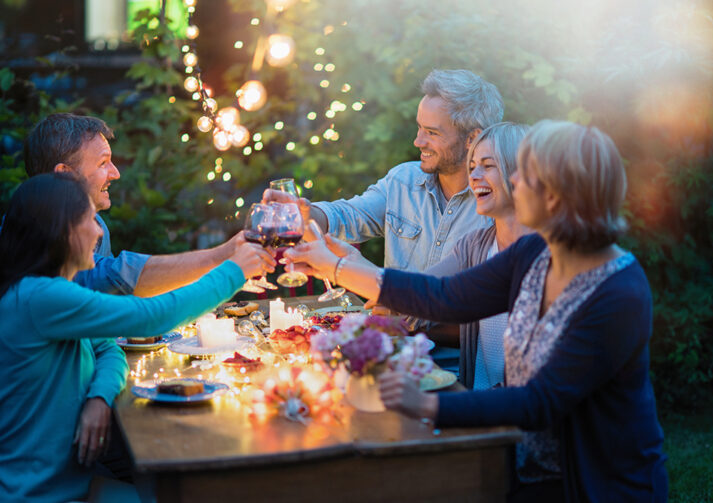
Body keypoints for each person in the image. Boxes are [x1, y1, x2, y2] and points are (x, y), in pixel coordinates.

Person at [285, 120, 668, 502]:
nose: (514, 181)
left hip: (596, 485)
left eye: (526, 174)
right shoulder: (534, 254)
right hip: (524, 466)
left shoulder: (619, 293)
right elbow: (444, 295)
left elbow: (539, 401)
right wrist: (341, 266)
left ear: (555, 194)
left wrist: (430, 404)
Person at [0, 173, 276, 503]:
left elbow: (106, 346)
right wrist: (234, 270)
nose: (99, 231)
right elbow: (151, 317)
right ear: (63, 230)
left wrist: (99, 396)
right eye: (90, 219)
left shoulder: (46, 292)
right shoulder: (41, 297)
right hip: (35, 494)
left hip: (70, 483)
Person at [264, 68, 504, 272]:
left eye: (432, 133)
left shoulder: (497, 206)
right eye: (419, 128)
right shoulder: (403, 181)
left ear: (472, 138)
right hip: (390, 328)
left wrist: (354, 271)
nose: (418, 142)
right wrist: (307, 215)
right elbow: (349, 216)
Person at [23, 113, 247, 297]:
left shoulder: (95, 224)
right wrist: (223, 258)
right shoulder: (30, 236)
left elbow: (106, 316)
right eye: (103, 163)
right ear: (65, 175)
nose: (116, 173)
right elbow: (111, 279)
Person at [416, 122, 531, 389]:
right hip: (478, 409)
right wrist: (341, 265)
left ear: (521, 172)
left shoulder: (549, 258)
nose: (474, 176)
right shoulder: (475, 245)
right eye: (472, 167)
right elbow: (421, 289)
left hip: (521, 421)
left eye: (488, 166)